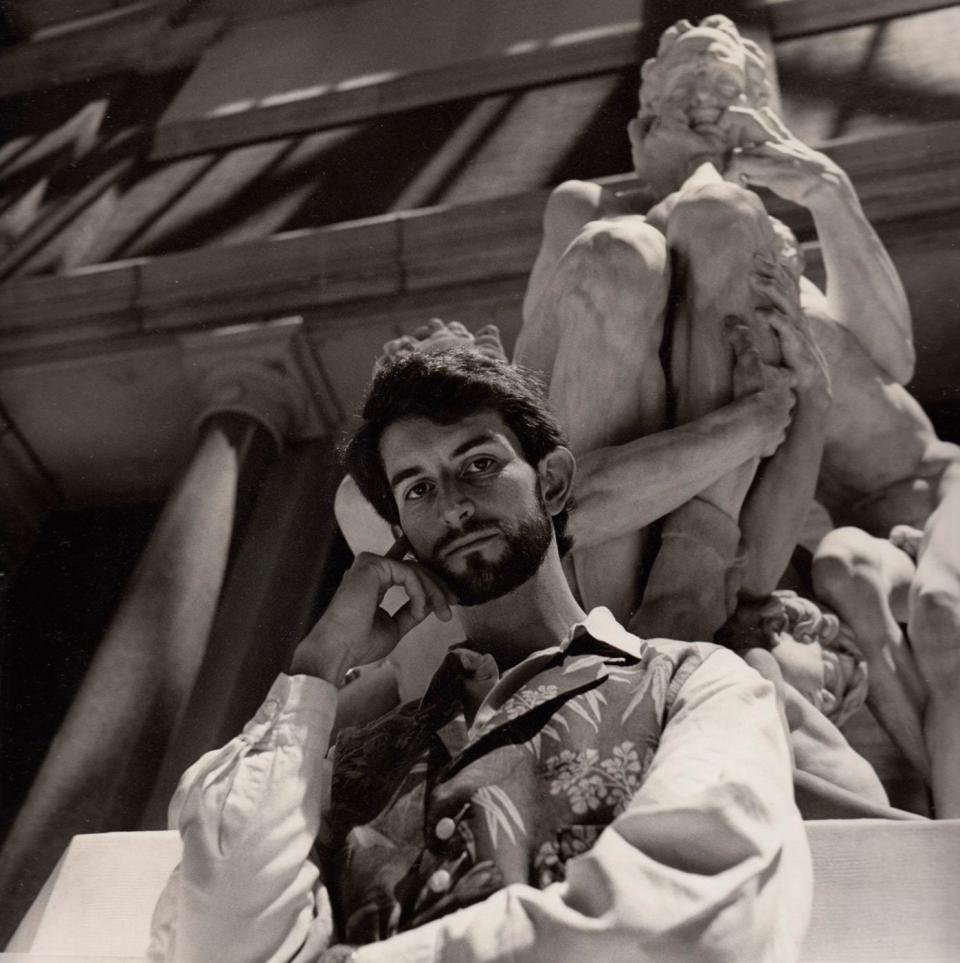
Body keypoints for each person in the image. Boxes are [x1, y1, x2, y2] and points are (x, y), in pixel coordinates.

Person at [148, 349, 812, 963]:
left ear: (551, 482)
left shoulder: (695, 680)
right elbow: (214, 939)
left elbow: (690, 916)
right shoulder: (348, 762)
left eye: (480, 465)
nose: (455, 506)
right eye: (417, 489)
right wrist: (318, 663)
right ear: (402, 538)